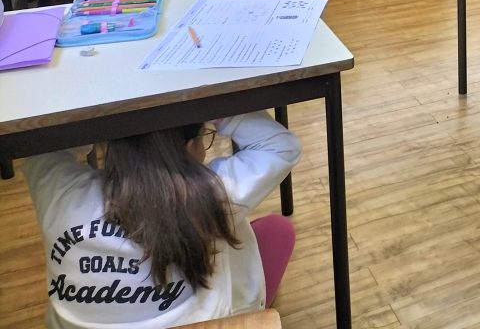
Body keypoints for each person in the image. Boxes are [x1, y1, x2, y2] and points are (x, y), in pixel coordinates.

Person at [24, 111, 301, 328]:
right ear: (190, 146)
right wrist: (215, 107)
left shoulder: (58, 191)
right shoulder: (210, 196)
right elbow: (280, 146)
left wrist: (105, 114)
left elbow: (45, 141)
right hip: (211, 322)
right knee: (275, 230)